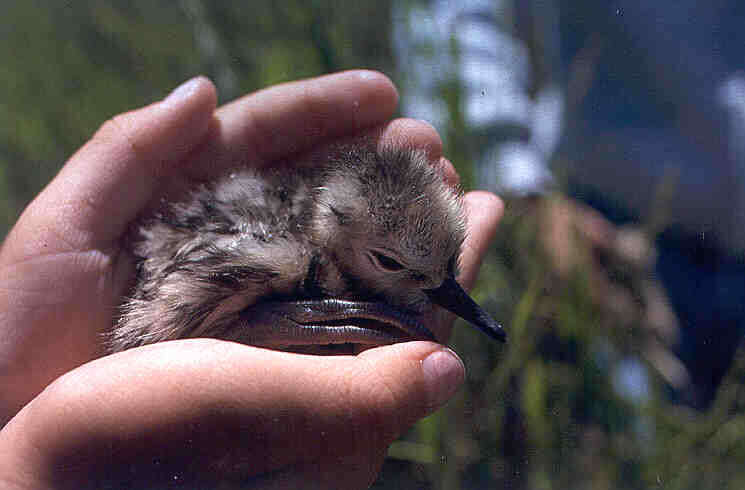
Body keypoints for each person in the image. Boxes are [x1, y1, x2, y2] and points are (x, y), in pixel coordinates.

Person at [0, 71, 503, 489]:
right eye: (392, 264)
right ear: (338, 229)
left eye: (445, 269)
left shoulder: (324, 236)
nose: (440, 290)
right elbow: (157, 326)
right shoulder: (287, 262)